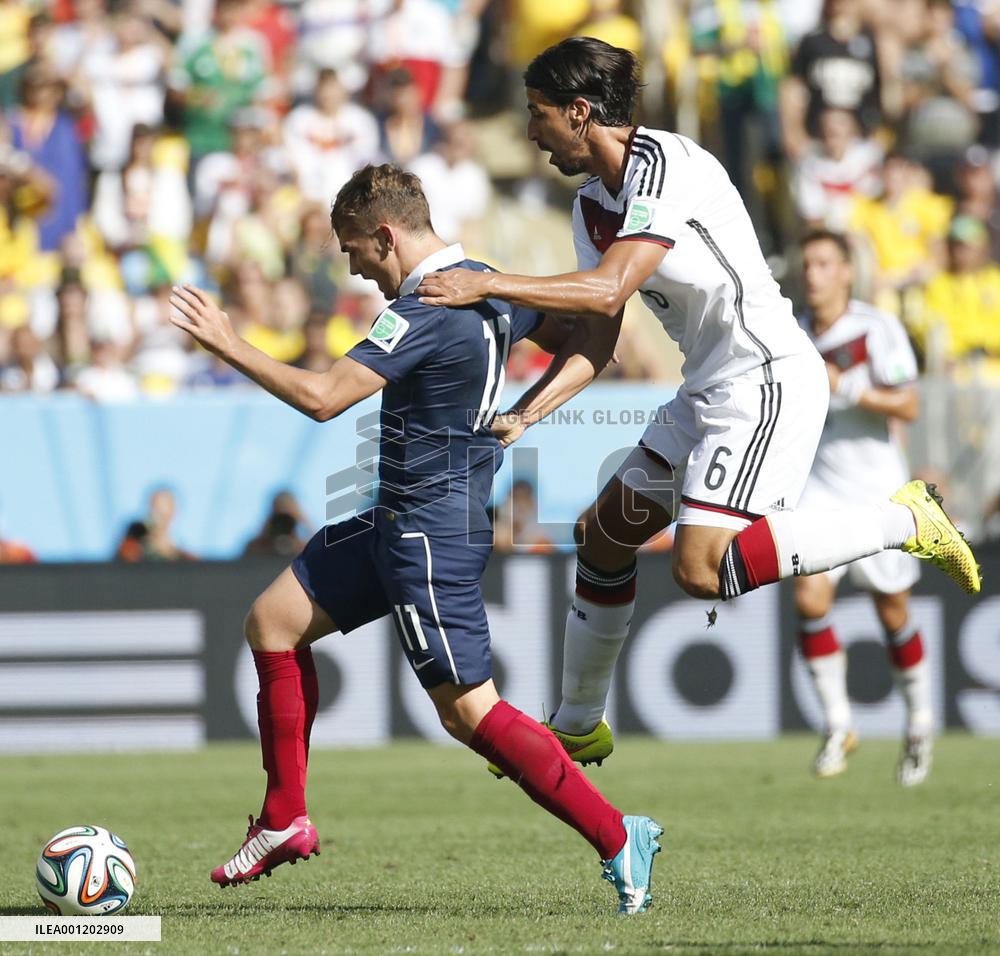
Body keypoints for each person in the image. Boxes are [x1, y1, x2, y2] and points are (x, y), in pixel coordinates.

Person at [416, 37, 980, 773]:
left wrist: (488, 282)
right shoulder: (592, 204)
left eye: (538, 114)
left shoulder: (666, 164)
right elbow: (599, 334)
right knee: (605, 534)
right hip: (709, 386)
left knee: (700, 570)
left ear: (581, 114)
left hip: (766, 379)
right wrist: (525, 413)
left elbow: (613, 287)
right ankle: (579, 725)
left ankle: (908, 517)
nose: (529, 131)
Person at [168, 163, 663, 914]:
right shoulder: (485, 281)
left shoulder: (425, 307)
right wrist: (530, 408)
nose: (354, 267)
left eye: (353, 250)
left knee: (469, 714)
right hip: (395, 518)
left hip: (427, 533)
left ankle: (618, 833)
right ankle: (283, 819)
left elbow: (324, 398)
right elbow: (599, 327)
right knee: (273, 623)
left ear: (386, 236)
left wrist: (229, 343)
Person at [796, 230, 931, 786]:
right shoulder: (794, 333)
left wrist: (848, 389)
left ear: (847, 272)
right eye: (807, 263)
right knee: (809, 596)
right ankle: (838, 723)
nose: (813, 273)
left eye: (824, 263)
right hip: (819, 488)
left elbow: (910, 404)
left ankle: (920, 723)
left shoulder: (876, 328)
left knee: (892, 609)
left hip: (878, 489)